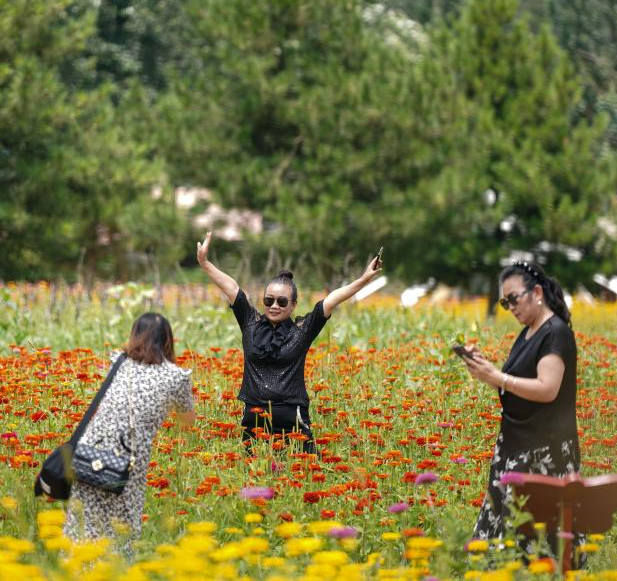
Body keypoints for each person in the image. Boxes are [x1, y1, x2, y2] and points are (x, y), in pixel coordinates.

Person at [196, 231, 381, 455]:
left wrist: (363, 280)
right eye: (269, 300)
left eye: (282, 301)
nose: (274, 305)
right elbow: (232, 288)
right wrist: (205, 263)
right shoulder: (250, 323)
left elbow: (331, 300)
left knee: (307, 472)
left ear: (293, 305)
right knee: (252, 475)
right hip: (254, 418)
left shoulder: (301, 331)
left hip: (293, 417)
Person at [461, 260, 581, 549]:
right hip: (514, 449)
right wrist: (484, 371)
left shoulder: (555, 333)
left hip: (543, 453)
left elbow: (547, 389)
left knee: (532, 544)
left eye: (514, 298)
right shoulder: (528, 332)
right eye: (505, 302)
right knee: (502, 543)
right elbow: (513, 386)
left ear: (536, 292)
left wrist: (499, 377)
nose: (511, 307)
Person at [63, 313, 194, 548]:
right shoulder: (177, 376)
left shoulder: (118, 362)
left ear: (134, 336)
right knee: (121, 524)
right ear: (168, 341)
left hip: (89, 453)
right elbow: (187, 421)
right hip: (127, 459)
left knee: (82, 523)